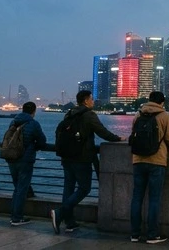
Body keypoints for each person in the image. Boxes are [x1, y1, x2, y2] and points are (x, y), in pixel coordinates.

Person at [50, 90, 125, 234]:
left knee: (68, 188)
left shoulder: (70, 113)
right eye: (91, 99)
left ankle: (69, 222)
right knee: (84, 188)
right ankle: (59, 213)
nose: (93, 101)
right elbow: (102, 132)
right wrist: (117, 138)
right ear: (85, 101)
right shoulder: (89, 115)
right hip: (81, 157)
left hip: (66, 157)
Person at [130, 91, 169, 244]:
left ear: (149, 100)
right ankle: (152, 235)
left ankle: (135, 234)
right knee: (154, 199)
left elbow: (133, 134)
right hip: (157, 161)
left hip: (138, 159)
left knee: (137, 197)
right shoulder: (164, 116)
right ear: (162, 102)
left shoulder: (138, 114)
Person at [7, 101, 47, 226]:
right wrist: (34, 146)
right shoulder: (33, 123)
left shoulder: (13, 122)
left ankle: (13, 216)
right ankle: (17, 218)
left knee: (17, 188)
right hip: (25, 159)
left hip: (11, 158)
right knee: (22, 189)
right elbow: (42, 141)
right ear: (34, 111)